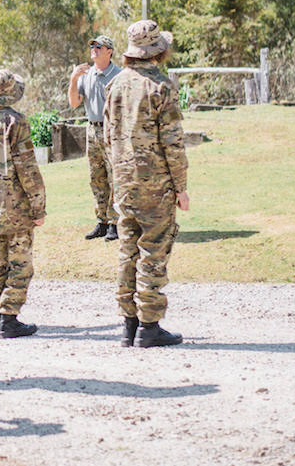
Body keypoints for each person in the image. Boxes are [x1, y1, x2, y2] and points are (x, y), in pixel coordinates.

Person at [102, 20, 191, 348]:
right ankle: (149, 326)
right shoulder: (162, 87)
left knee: (128, 249)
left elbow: (107, 138)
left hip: (124, 183)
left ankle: (129, 324)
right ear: (158, 51)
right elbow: (172, 143)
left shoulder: (115, 84)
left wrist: (117, 177)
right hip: (155, 183)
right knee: (153, 249)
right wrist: (181, 187)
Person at [0, 69, 46, 339]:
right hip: (16, 206)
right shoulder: (15, 121)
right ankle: (9, 318)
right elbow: (27, 167)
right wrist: (38, 206)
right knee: (19, 264)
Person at [68, 34, 123, 242]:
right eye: (92, 46)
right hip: (91, 129)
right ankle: (102, 222)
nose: (94, 49)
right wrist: (73, 79)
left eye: (99, 46)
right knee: (96, 177)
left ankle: (116, 223)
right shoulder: (86, 74)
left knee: (114, 177)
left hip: (112, 130)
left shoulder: (119, 75)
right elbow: (74, 102)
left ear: (109, 51)